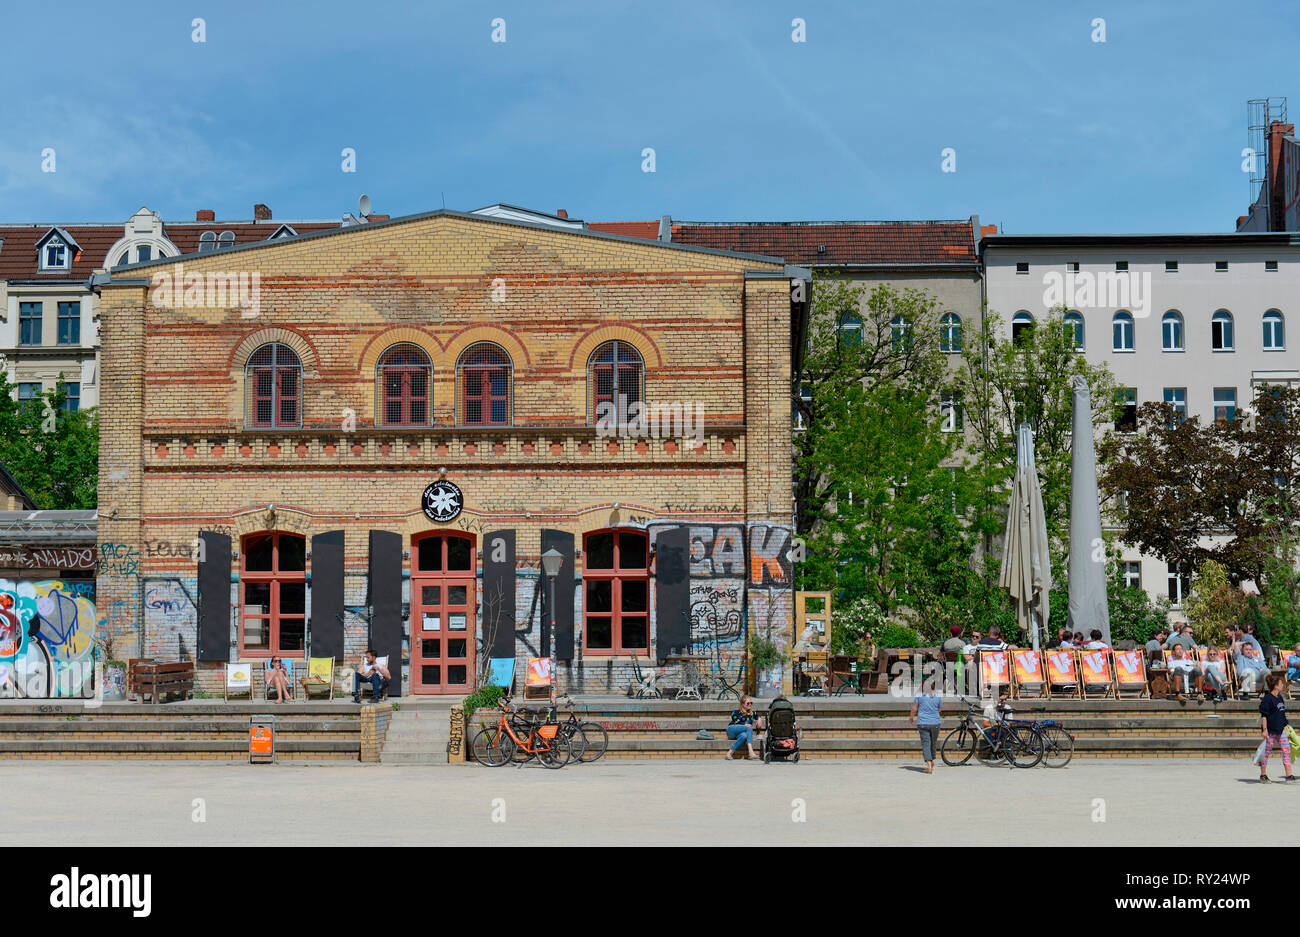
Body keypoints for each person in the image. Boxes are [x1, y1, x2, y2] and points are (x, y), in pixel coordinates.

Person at [1258, 674, 1294, 783]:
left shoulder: (1280, 697)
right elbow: (1264, 715)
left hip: (1281, 729)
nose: (1283, 685)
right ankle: (1263, 775)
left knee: (1286, 750)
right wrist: (1264, 730)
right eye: (1281, 684)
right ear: (1275, 686)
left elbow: (1281, 713)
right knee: (1266, 752)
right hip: (1269, 730)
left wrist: (1286, 724)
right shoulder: (1268, 698)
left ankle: (1289, 776)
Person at [909, 684, 944, 774]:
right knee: (933, 743)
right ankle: (931, 761)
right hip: (935, 723)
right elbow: (940, 709)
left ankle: (929, 765)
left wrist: (911, 717)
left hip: (923, 723)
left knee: (926, 743)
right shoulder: (938, 696)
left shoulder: (919, 695)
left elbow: (914, 708)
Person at [725, 695, 762, 760]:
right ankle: (751, 752)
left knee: (744, 736)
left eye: (751, 703)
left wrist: (759, 719)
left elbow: (759, 714)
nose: (750, 704)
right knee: (749, 727)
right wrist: (744, 725)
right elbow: (736, 721)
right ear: (742, 704)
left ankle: (729, 753)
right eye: (748, 703)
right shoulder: (736, 712)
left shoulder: (752, 713)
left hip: (740, 733)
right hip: (732, 730)